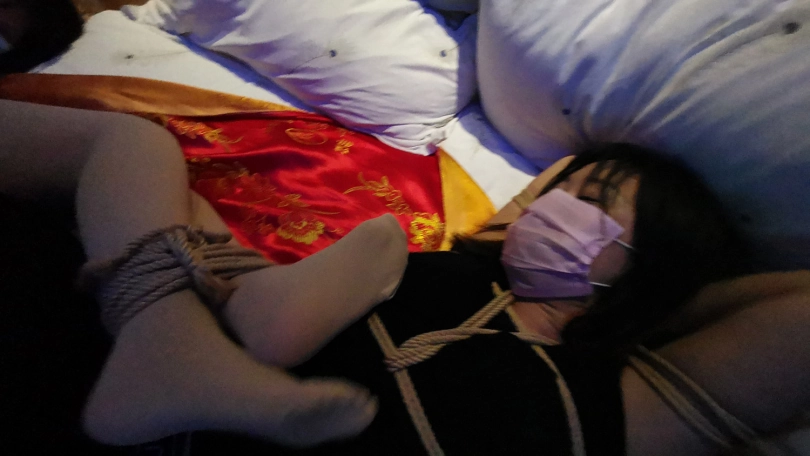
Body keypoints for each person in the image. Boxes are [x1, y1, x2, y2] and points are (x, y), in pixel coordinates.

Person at [2, 97, 810, 455]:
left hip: (149, 407)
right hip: (143, 344)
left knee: (135, 165)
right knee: (137, 156)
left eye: (589, 202)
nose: (545, 208)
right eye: (547, 192)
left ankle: (192, 331)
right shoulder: (437, 266)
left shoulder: (621, 402)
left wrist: (663, 301)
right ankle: (197, 325)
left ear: (651, 264)